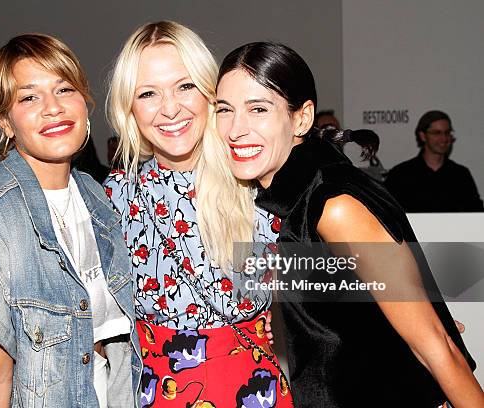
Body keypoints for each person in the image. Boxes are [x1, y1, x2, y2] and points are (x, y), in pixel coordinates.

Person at [205, 41, 482, 407]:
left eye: (258, 109)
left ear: (302, 118)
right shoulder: (297, 198)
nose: (235, 129)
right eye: (225, 110)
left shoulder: (333, 206)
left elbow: (437, 346)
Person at [0, 33, 140, 407]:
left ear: (84, 101)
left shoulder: (93, 196)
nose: (53, 108)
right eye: (29, 97)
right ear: (5, 120)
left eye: (64, 89)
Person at [104, 21, 292, 407]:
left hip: (253, 390)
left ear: (211, 90)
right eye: (148, 93)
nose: (170, 108)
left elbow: (341, 275)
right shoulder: (113, 198)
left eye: (185, 86)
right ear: (130, 108)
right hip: (158, 394)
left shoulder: (256, 180)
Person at [385, 110, 483, 212]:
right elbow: (387, 213)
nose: (444, 138)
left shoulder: (461, 175)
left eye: (447, 132)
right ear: (423, 136)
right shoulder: (401, 174)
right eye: (437, 133)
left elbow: (476, 212)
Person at [315, 109, 387, 181]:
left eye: (336, 130)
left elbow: (379, 179)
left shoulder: (359, 152)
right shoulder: (311, 163)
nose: (333, 134)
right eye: (327, 130)